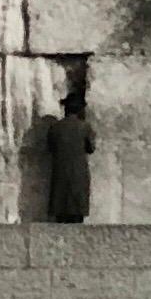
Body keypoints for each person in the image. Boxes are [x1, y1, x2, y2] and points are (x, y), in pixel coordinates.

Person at [43, 74, 93, 226]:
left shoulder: (55, 128)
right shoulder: (84, 127)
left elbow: (50, 148)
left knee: (60, 212)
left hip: (60, 171)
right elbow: (91, 148)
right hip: (78, 172)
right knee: (77, 214)